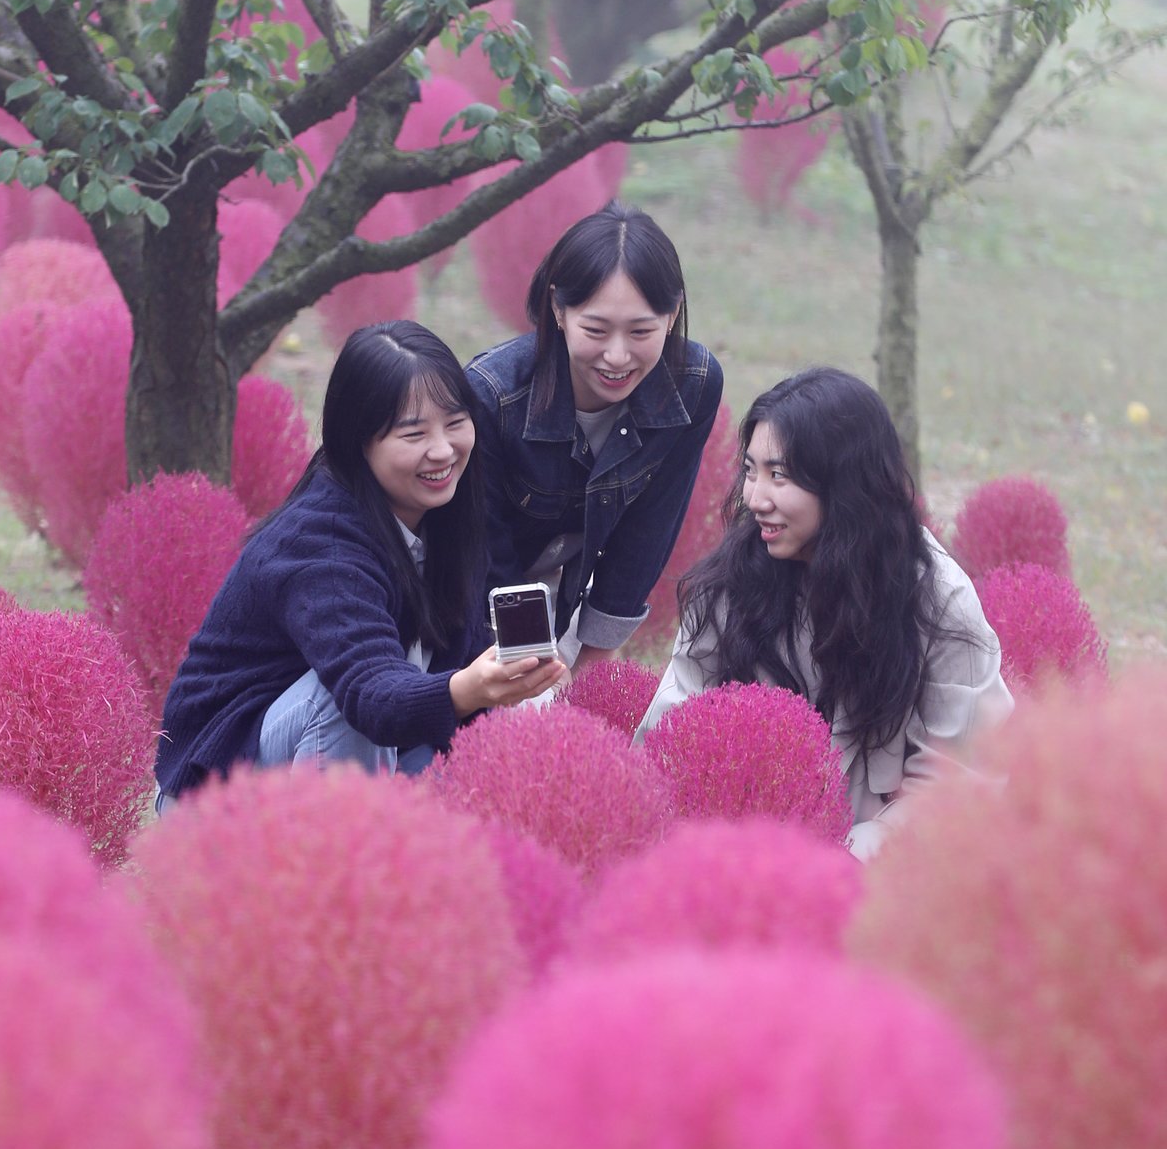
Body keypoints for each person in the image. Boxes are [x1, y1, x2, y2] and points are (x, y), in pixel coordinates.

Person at [155, 321, 565, 802]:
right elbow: (371, 697)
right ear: (357, 442)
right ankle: (340, 870)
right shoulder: (319, 540)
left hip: (363, 754)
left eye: (455, 423)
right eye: (412, 433)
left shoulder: (448, 512)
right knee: (341, 702)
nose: (442, 450)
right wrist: (465, 690)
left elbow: (443, 686)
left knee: (478, 776)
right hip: (222, 790)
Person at [635, 366, 1013, 860]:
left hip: (875, 877)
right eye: (750, 471)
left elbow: (961, 779)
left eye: (779, 476)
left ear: (844, 486)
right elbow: (671, 731)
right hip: (732, 858)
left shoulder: (936, 599)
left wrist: (844, 862)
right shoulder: (732, 581)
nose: (755, 498)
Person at [466, 200, 723, 673]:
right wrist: (531, 668)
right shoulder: (493, 395)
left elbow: (653, 523)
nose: (618, 356)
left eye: (641, 330)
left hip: (563, 591)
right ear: (558, 310)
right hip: (468, 597)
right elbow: (483, 545)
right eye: (596, 330)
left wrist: (596, 658)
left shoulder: (695, 383)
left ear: (673, 315)